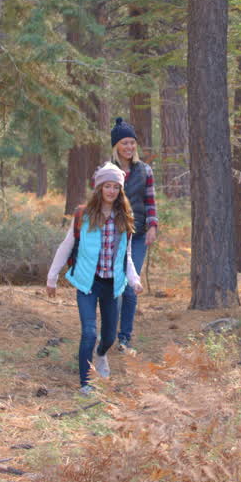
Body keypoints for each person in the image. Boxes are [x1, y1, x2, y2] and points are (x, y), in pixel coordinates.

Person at [47, 163, 143, 394]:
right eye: (107, 186)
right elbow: (66, 245)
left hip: (113, 285)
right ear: (99, 188)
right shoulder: (84, 215)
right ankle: (86, 383)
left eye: (115, 187)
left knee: (109, 337)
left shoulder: (124, 217)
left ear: (120, 191)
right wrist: (52, 277)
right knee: (89, 333)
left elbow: (127, 255)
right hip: (88, 284)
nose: (111, 191)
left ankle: (100, 355)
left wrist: (134, 279)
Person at [108, 117, 159, 352]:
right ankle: (109, 332)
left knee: (131, 284)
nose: (129, 147)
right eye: (124, 143)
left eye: (131, 142)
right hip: (112, 236)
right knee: (113, 285)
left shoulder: (144, 170)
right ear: (116, 146)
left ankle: (125, 337)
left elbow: (150, 202)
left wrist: (152, 226)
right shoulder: (107, 171)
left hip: (137, 236)